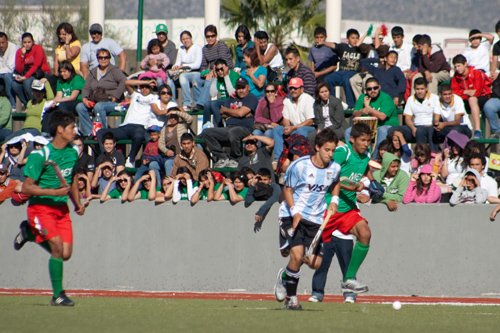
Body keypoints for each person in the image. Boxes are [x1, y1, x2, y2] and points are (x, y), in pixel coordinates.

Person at [13, 110, 85, 306]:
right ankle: (58, 295)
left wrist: (77, 203)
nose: (74, 130)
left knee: (66, 254)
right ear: (60, 130)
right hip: (40, 209)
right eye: (71, 127)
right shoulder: (41, 155)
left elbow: (73, 179)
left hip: (62, 211)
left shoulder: (72, 152)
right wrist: (54, 193)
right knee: (57, 248)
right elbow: (27, 187)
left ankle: (29, 234)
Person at [273, 127, 341, 310]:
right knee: (296, 255)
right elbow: (287, 189)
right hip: (292, 214)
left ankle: (285, 276)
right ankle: (292, 299)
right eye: (327, 149)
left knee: (315, 263)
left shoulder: (335, 167)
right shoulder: (300, 165)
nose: (330, 153)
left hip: (316, 219)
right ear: (317, 147)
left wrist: (334, 200)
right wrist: (295, 211)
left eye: (333, 150)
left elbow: (336, 182)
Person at [96, 78, 158, 168]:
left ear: (151, 88)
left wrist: (151, 83)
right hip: (125, 127)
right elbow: (126, 83)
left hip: (140, 127)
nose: (144, 89)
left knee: (139, 136)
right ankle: (106, 158)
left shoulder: (155, 97)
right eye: (142, 87)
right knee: (100, 132)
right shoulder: (136, 94)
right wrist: (146, 82)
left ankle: (131, 159)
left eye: (147, 87)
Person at [199, 78, 258, 168]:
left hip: (244, 129)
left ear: (248, 88)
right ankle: (223, 157)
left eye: (243, 88)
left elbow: (238, 113)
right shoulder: (231, 98)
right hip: (229, 127)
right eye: (238, 88)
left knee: (234, 132)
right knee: (207, 132)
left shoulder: (251, 98)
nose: (241, 90)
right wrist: (236, 113)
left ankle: (235, 159)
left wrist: (228, 110)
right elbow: (222, 114)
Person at [75, 48, 127, 137]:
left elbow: (124, 82)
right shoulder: (93, 71)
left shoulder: (114, 71)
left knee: (99, 107)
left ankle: (102, 135)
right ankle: (89, 133)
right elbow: (86, 87)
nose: (103, 60)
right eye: (100, 57)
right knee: (80, 107)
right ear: (97, 58)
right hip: (95, 99)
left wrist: (116, 96)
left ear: (109, 58)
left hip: (111, 101)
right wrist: (84, 99)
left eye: (106, 57)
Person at [344, 77, 399, 158]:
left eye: (375, 88)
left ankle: (374, 159)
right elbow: (355, 113)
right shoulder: (363, 97)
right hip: (368, 127)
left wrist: (368, 107)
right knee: (348, 131)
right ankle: (353, 157)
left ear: (379, 87)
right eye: (369, 89)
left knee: (383, 131)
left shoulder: (386, 98)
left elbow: (382, 116)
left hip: (387, 126)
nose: (372, 90)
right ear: (366, 90)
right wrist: (362, 110)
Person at [388, 77, 440, 152]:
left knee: (421, 131)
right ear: (414, 89)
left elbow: (437, 116)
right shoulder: (411, 99)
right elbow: (407, 118)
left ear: (426, 88)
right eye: (417, 89)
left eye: (422, 89)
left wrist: (433, 124)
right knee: (392, 130)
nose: (419, 91)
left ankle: (426, 155)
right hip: (415, 127)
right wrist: (412, 128)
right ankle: (399, 155)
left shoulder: (435, 98)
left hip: (429, 127)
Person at [272, 77, 315, 163]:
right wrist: (287, 127)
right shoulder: (287, 100)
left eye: (295, 88)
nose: (293, 90)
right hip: (294, 128)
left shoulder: (308, 99)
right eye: (291, 88)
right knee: (277, 130)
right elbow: (286, 118)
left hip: (309, 128)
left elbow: (310, 121)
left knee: (300, 130)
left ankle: (299, 157)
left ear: (301, 89)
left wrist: (293, 128)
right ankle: (279, 159)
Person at [192, 25, 234, 112]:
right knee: (195, 79)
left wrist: (211, 73)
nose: (210, 38)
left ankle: (201, 104)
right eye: (208, 36)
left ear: (216, 35)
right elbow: (203, 65)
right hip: (212, 71)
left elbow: (221, 63)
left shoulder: (221, 46)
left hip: (223, 71)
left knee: (209, 82)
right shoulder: (205, 49)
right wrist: (204, 72)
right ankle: (197, 102)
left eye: (213, 36)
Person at [322, 28, 367, 108]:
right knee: (327, 79)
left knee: (347, 80)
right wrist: (323, 42)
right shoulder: (343, 47)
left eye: (357, 38)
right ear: (347, 39)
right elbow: (333, 45)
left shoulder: (361, 49)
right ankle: (333, 103)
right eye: (352, 38)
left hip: (353, 72)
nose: (355, 40)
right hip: (341, 72)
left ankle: (351, 105)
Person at [451, 54, 491, 139]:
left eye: (459, 66)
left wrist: (462, 94)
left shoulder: (476, 73)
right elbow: (453, 91)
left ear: (465, 64)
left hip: (483, 97)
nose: (457, 69)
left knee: (472, 99)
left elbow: (476, 93)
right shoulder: (456, 76)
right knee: (454, 100)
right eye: (455, 67)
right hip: (466, 99)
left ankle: (477, 131)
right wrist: (465, 92)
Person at [12, 33, 51, 107]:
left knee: (27, 82)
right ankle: (28, 104)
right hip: (27, 74)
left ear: (33, 42)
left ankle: (36, 103)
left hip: (40, 73)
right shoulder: (20, 51)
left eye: (29, 42)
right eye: (25, 42)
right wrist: (22, 56)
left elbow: (36, 65)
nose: (27, 44)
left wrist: (24, 77)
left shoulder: (38, 48)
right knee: (15, 85)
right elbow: (19, 69)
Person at [307, 82, 348, 149]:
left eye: (326, 91)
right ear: (318, 94)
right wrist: (320, 129)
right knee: (310, 137)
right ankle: (315, 156)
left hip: (338, 128)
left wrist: (325, 130)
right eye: (322, 92)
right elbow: (318, 120)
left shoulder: (336, 102)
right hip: (324, 127)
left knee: (326, 136)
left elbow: (337, 122)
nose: (325, 94)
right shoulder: (316, 104)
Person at [202, 59, 239, 127]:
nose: (220, 72)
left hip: (232, 100)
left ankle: (220, 126)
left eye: (222, 69)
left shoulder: (234, 75)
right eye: (217, 70)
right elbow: (213, 94)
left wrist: (226, 76)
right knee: (207, 104)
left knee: (213, 104)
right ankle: (206, 127)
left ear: (226, 67)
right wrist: (215, 78)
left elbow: (232, 93)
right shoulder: (218, 77)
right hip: (222, 100)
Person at [172, 30, 203, 111]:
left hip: (195, 72)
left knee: (188, 78)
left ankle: (192, 103)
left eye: (187, 38)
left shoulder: (197, 48)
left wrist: (184, 66)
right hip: (183, 72)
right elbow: (177, 62)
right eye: (183, 39)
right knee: (177, 78)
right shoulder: (181, 49)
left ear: (191, 38)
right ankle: (179, 103)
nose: (186, 41)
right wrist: (175, 67)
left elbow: (197, 64)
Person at [158, 106, 193, 177]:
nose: (173, 119)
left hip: (180, 154)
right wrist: (166, 151)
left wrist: (176, 112)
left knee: (168, 163)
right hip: (168, 155)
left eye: (175, 117)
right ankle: (159, 186)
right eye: (171, 117)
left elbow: (190, 119)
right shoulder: (165, 128)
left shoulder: (182, 125)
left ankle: (170, 182)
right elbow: (160, 143)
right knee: (153, 165)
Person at [0, 32, 19, 111]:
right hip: (2, 73)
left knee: (7, 77)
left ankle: (12, 105)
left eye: (3, 43)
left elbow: (10, 69)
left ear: (7, 41)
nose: (1, 45)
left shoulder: (13, 48)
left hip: (14, 75)